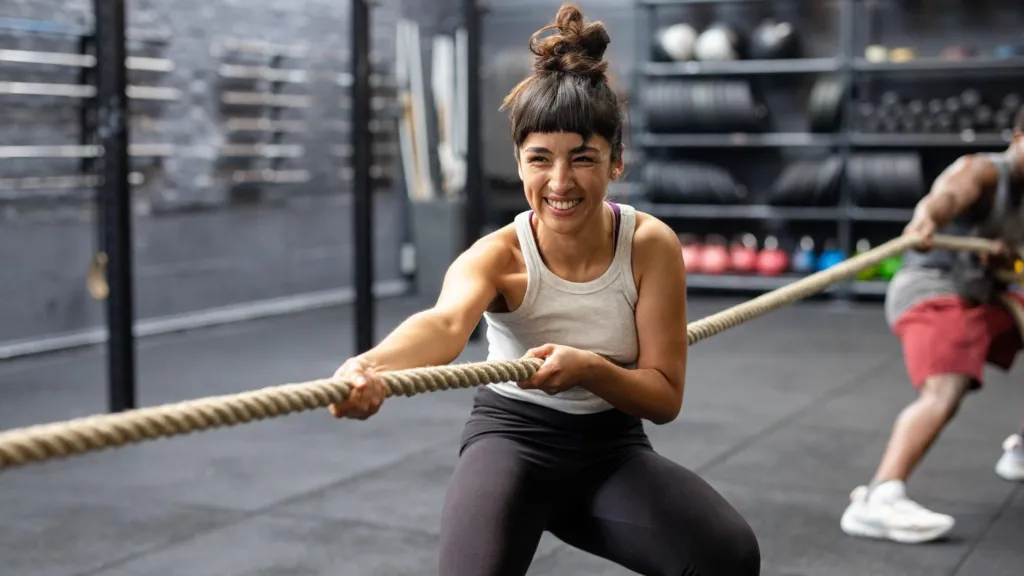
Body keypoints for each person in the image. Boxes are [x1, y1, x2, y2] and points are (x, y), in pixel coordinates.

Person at [326, 5, 761, 575]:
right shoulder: (499, 255)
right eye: (540, 159)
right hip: (512, 440)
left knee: (727, 556)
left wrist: (589, 370)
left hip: (611, 450)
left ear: (617, 162)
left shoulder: (649, 245)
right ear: (519, 161)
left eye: (583, 158)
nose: (560, 182)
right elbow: (443, 325)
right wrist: (368, 365)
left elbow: (663, 398)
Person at [840, 110, 1024, 545]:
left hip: (983, 293)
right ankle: (878, 499)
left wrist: (1004, 260)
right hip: (932, 288)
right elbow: (948, 195)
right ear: (1019, 135)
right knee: (947, 389)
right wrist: (929, 218)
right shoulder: (983, 171)